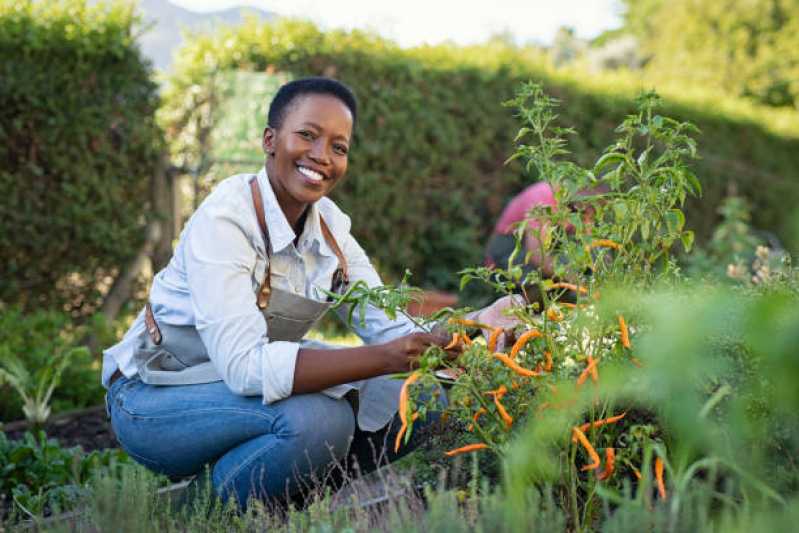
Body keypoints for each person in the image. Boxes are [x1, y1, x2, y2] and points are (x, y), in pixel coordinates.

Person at [103, 77, 515, 508]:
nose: (322, 157)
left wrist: (476, 327)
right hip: (154, 398)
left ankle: (279, 504)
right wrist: (387, 358)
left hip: (235, 396)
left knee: (424, 396)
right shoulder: (226, 221)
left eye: (339, 147)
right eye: (307, 135)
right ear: (270, 139)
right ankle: (192, 515)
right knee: (319, 422)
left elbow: (390, 325)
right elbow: (245, 367)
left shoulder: (331, 229)